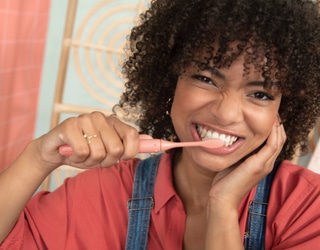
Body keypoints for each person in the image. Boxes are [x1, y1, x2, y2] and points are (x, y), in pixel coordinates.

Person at [1, 0, 320, 249]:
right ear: (172, 83)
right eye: (206, 78)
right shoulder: (108, 192)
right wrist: (39, 157)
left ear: (283, 109)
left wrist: (222, 208)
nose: (226, 114)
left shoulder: (307, 207)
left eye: (260, 93)